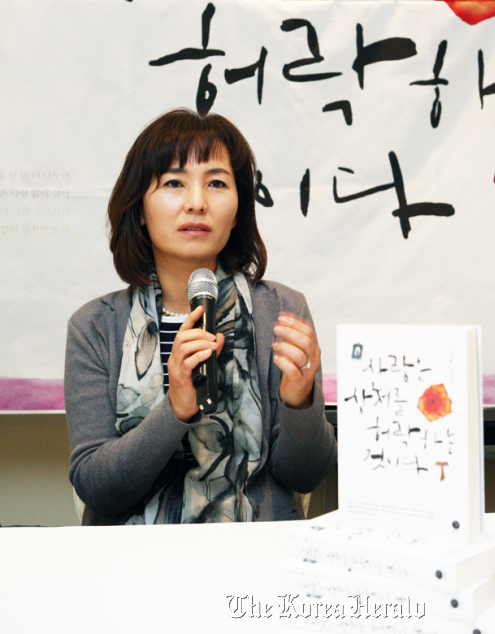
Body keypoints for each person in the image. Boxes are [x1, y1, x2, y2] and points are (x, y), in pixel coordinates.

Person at [64, 108, 337, 525]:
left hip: (255, 553)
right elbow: (98, 489)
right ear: (139, 208)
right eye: (174, 183)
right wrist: (174, 411)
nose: (197, 202)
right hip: (130, 564)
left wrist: (300, 403)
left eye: (216, 183)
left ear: (238, 207)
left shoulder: (281, 310)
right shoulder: (96, 326)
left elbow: (305, 474)